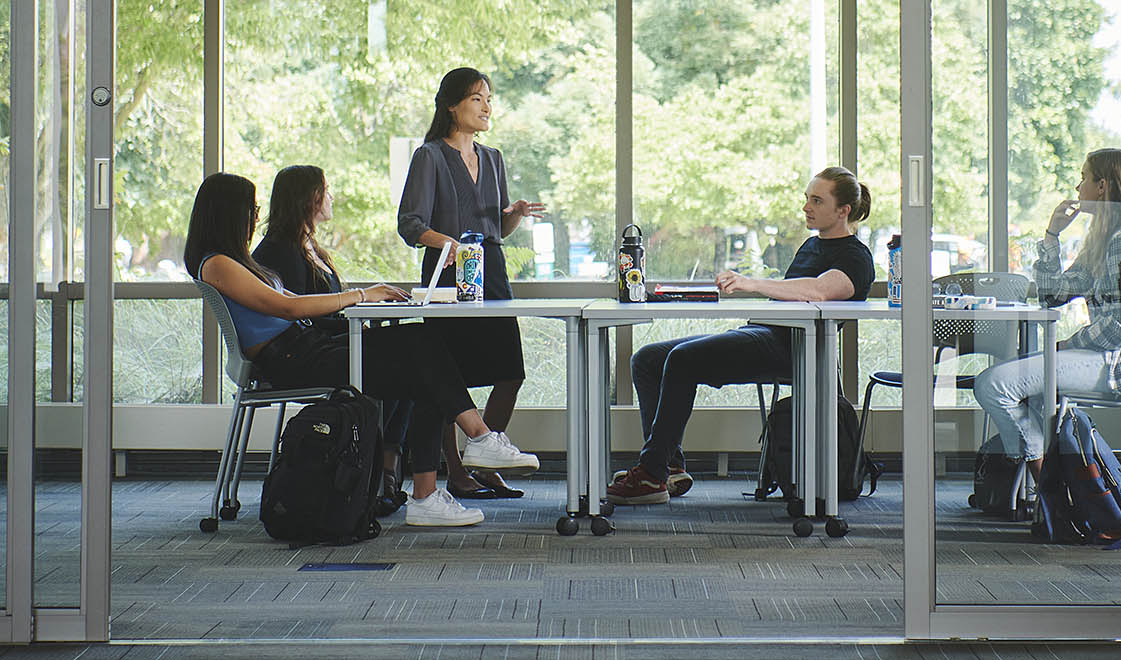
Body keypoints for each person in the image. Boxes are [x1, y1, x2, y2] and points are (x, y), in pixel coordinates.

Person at [185, 172, 540, 527]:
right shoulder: (218, 264)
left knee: (427, 350)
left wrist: (367, 297)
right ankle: (470, 446)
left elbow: (291, 299)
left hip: (304, 347)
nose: (256, 215)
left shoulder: (237, 262)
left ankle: (432, 489)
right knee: (423, 354)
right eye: (251, 208)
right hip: (291, 358)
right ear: (228, 213)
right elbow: (287, 309)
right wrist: (361, 296)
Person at [607, 166, 876, 505]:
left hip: (795, 349)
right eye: (807, 198)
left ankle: (650, 475)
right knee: (647, 359)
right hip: (764, 333)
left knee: (683, 360)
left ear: (843, 210)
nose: (806, 207)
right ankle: (669, 466)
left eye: (817, 200)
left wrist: (749, 282)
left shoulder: (856, 257)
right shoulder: (811, 246)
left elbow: (820, 291)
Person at [973, 148, 1121, 479]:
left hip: (1118, 365)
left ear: (1102, 186)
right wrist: (1052, 235)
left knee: (993, 385)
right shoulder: (1106, 238)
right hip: (1107, 357)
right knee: (1014, 385)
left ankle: (1047, 485)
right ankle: (1054, 488)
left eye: (1083, 177)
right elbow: (1053, 295)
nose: (1077, 186)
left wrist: (1069, 344)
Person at [397, 67, 547, 499]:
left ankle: (485, 452)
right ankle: (457, 472)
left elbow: (496, 226)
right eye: (477, 98)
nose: (487, 106)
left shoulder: (493, 158)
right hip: (446, 271)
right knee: (448, 376)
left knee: (510, 371)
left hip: (492, 271)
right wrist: (453, 246)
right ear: (451, 105)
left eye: (489, 99)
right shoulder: (430, 156)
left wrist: (514, 214)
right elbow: (410, 225)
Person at [251, 165, 415, 510]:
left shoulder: (306, 245)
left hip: (320, 344)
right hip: (303, 356)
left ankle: (384, 464)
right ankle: (379, 468)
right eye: (326, 189)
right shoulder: (279, 251)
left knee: (412, 357)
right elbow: (301, 316)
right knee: (408, 362)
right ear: (308, 198)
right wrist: (358, 310)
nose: (331, 196)